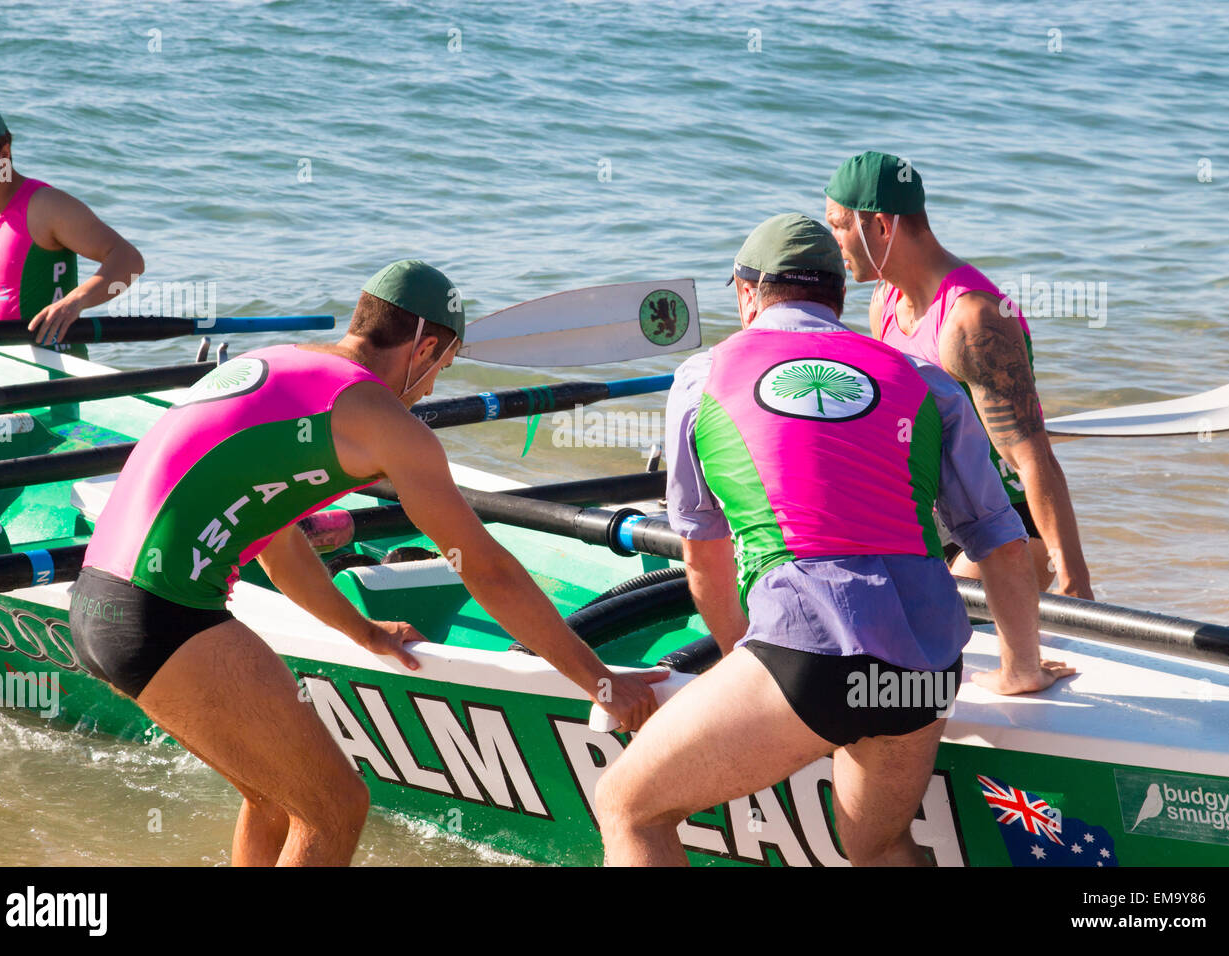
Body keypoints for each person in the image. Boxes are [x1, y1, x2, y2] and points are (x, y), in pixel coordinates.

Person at [68, 259, 662, 866]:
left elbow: (278, 545)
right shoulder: (382, 419)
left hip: (95, 601)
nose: (430, 389)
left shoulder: (271, 364)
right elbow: (487, 570)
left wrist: (364, 631)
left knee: (275, 798)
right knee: (336, 808)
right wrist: (601, 682)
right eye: (441, 368)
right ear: (425, 346)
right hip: (162, 614)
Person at [595, 215, 1073, 867]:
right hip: (924, 673)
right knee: (877, 845)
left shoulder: (701, 378)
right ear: (837, 298)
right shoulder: (928, 381)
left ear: (745, 292)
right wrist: (1022, 667)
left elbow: (705, 556)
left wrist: (753, 672)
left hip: (805, 664)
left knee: (628, 809)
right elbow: (1000, 541)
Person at [823, 151, 1092, 598]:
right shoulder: (885, 303)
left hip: (1007, 524)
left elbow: (1033, 458)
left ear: (882, 226)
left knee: (926, 613)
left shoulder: (973, 320)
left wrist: (1075, 584)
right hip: (933, 515)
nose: (832, 240)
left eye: (838, 224)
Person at [0, 98, 143, 346]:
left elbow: (130, 261)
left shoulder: (46, 206)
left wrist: (76, 301)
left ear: (4, 154)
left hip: (53, 370)